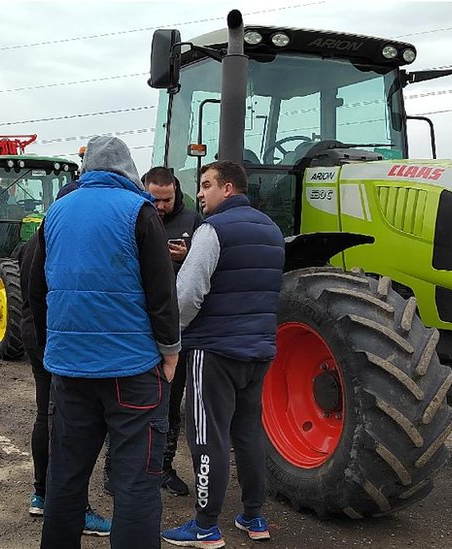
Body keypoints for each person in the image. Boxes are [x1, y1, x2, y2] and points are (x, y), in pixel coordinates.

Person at [29, 136, 180, 549]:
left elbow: (36, 290)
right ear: (128, 170)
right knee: (135, 483)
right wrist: (170, 351)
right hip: (131, 371)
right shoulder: (139, 211)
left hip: (70, 371)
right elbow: (161, 292)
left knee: (66, 477)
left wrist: (50, 352)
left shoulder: (55, 213)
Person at [161, 160, 284, 548]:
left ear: (227, 188)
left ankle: (205, 525)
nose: (200, 193)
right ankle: (253, 516)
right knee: (247, 432)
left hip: (213, 351)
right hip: (258, 350)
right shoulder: (272, 230)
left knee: (206, 435)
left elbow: (188, 293)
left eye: (206, 184)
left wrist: (170, 336)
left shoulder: (212, 230)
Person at [19, 182, 111, 537]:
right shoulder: (59, 240)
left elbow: (32, 294)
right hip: (55, 338)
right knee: (69, 427)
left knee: (47, 414)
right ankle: (75, 507)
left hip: (37, 334)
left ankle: (41, 493)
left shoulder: (34, 242)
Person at [142, 166, 204, 497]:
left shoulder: (192, 221)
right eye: (155, 199)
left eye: (167, 199)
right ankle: (123, 468)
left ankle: (164, 467)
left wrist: (187, 255)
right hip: (139, 326)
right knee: (133, 402)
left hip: (178, 328)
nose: (162, 206)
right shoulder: (136, 215)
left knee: (171, 400)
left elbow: (205, 265)